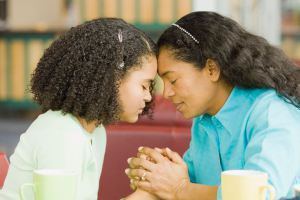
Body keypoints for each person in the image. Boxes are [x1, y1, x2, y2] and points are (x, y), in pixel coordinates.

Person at [125, 11, 300, 200]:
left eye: (173, 80)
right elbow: (188, 184)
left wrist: (179, 189)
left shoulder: (271, 113)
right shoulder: (204, 119)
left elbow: (257, 195)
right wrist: (155, 177)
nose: (166, 93)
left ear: (211, 69)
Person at [0, 18, 157, 200]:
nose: (149, 97)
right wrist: (145, 195)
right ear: (112, 79)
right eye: (144, 86)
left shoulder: (96, 132)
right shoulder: (63, 135)